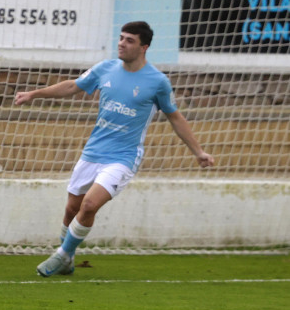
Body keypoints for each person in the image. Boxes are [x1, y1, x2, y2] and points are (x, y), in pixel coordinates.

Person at [14, 21, 214, 277]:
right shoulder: (105, 68)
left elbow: (175, 116)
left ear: (144, 47)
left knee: (89, 206)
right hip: (92, 152)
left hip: (123, 157)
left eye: (129, 40)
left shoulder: (157, 82)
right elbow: (72, 86)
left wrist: (199, 152)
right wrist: (34, 94)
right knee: (71, 209)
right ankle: (68, 258)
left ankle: (62, 254)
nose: (121, 43)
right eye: (121, 38)